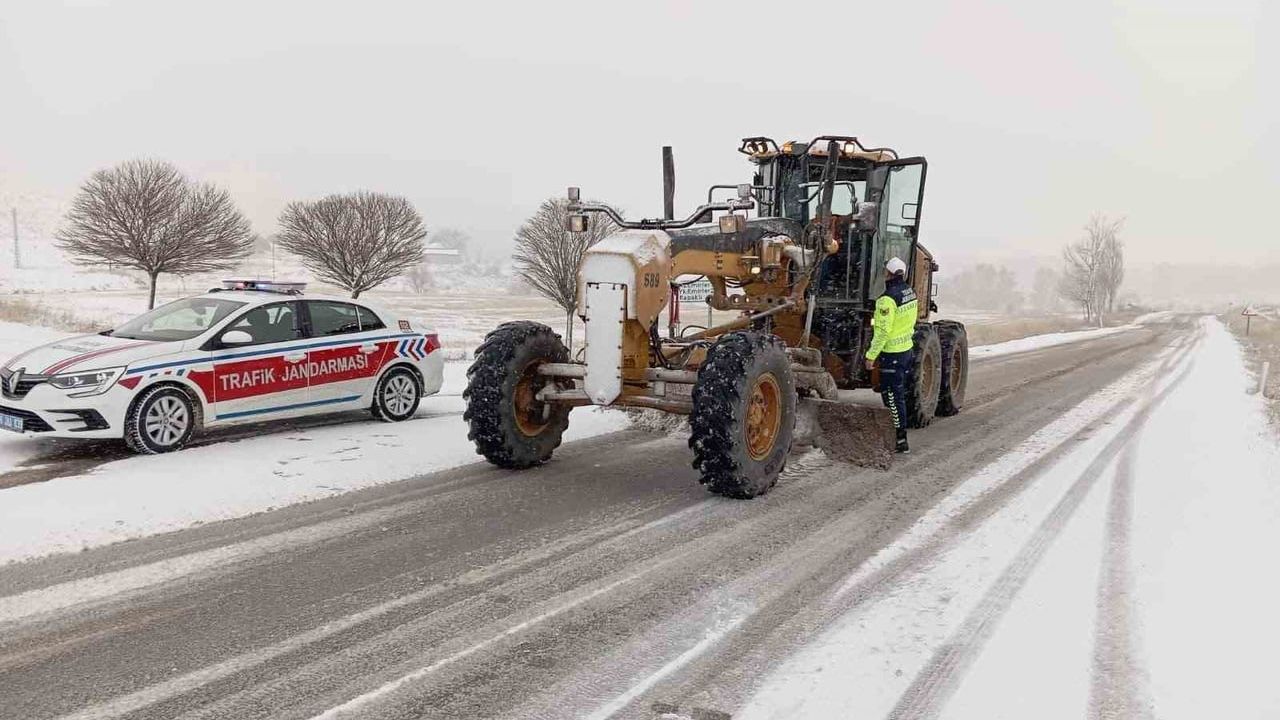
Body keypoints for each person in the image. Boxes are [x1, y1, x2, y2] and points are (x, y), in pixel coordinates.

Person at [865, 256, 917, 453]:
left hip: (892, 353)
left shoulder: (887, 299)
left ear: (888, 273)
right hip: (905, 350)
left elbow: (882, 332)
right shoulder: (909, 292)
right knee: (897, 394)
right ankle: (897, 435)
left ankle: (900, 439)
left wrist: (871, 355)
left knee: (893, 397)